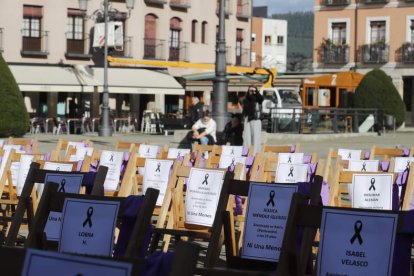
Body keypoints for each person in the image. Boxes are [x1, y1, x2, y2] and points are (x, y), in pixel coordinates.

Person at [242, 85, 264, 154]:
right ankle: (246, 153)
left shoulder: (258, 98)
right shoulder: (246, 99)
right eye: (250, 90)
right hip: (247, 118)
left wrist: (256, 92)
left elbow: (261, 99)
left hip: (255, 118)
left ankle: (255, 154)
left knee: (256, 137)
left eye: (254, 90)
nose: (252, 92)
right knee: (246, 138)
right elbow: (244, 110)